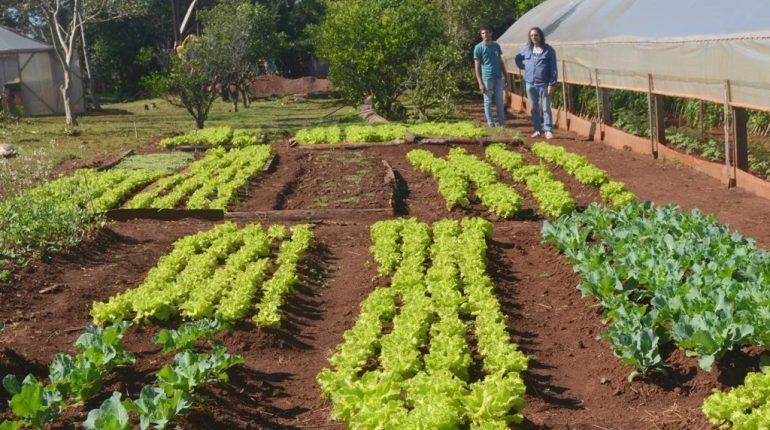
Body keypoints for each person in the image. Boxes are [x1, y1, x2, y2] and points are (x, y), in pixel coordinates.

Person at [515, 26, 558, 139]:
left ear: (540, 36)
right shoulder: (527, 49)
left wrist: (551, 83)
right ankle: (537, 129)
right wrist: (523, 66)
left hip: (543, 83)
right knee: (534, 108)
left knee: (545, 107)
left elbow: (553, 68)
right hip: (530, 82)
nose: (534, 37)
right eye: (532, 36)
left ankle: (548, 130)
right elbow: (517, 58)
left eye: (536, 35)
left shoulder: (548, 50)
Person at [473, 27, 507, 127]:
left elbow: (500, 62)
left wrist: (505, 76)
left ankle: (501, 123)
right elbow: (477, 67)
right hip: (487, 78)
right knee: (488, 101)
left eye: (487, 33)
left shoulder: (496, 46)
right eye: (483, 33)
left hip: (498, 77)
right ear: (481, 35)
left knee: (499, 100)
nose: (485, 35)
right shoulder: (478, 48)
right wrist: (480, 83)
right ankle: (490, 123)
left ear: (491, 33)